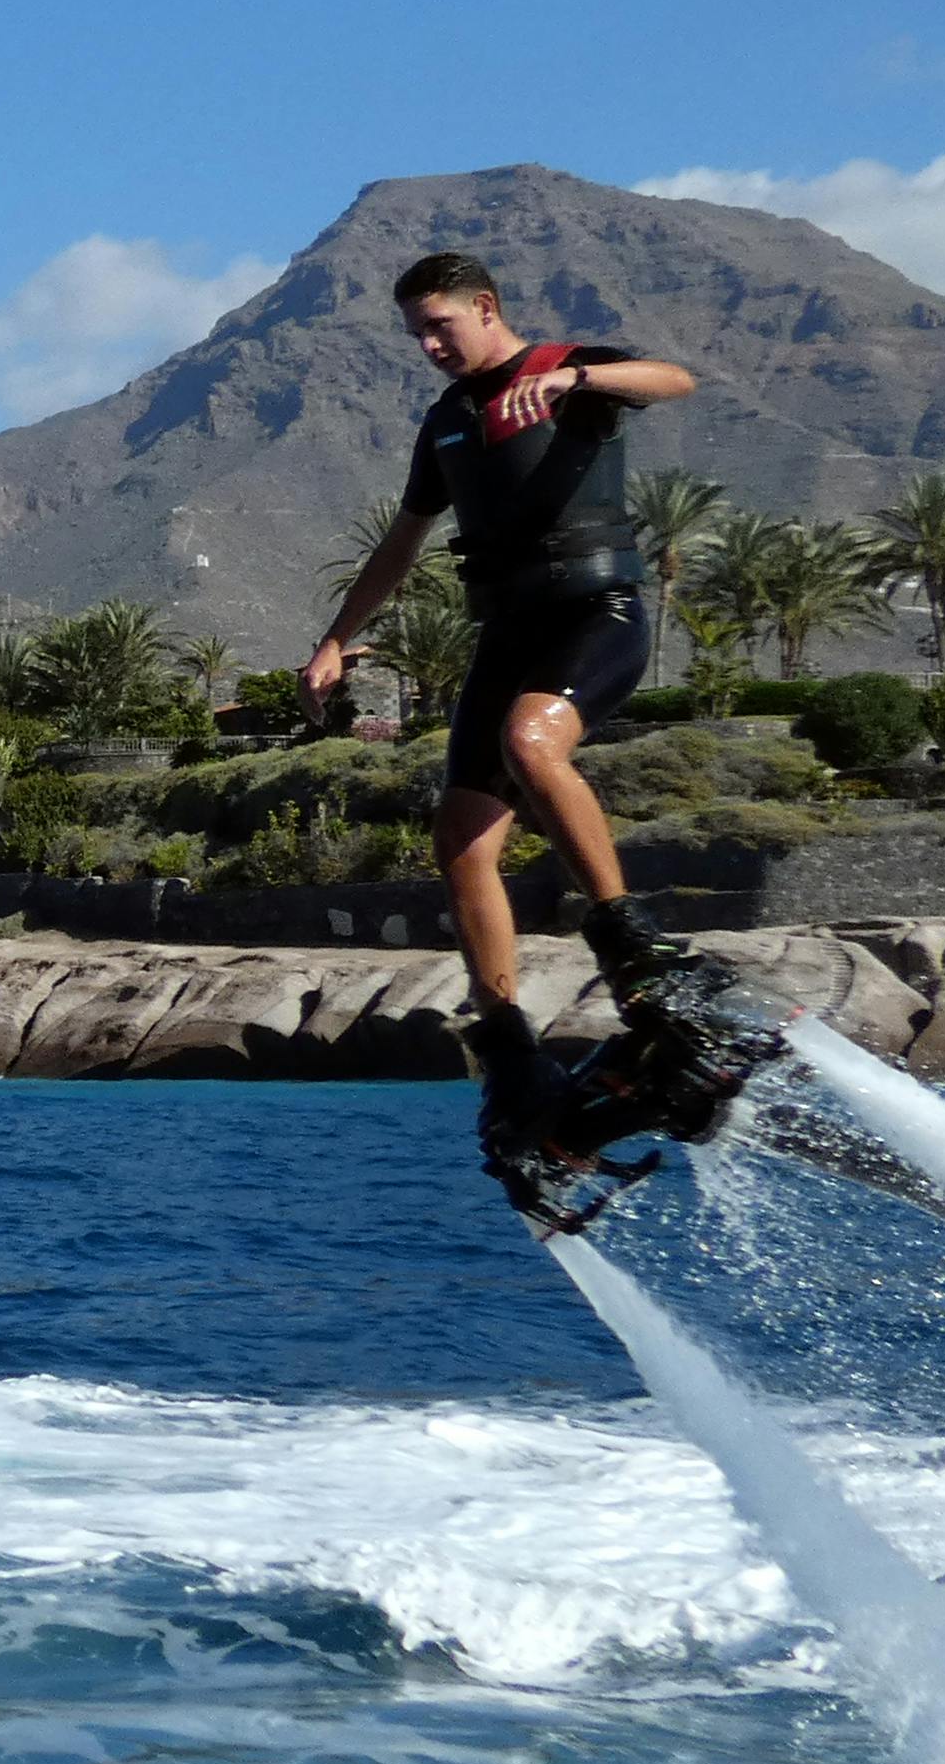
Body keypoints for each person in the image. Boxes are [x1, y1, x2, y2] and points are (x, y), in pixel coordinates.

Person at [302, 249, 733, 1198]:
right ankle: (508, 1048)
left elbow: (675, 379)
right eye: (414, 331)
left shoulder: (567, 371)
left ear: (484, 307)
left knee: (531, 744)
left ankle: (631, 942)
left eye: (439, 326)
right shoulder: (445, 422)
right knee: (458, 838)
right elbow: (398, 545)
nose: (426, 346)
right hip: (505, 632)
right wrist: (335, 639)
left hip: (594, 616)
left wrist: (576, 379)